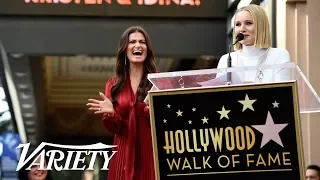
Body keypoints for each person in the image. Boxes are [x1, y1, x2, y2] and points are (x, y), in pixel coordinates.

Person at [87, 26, 168, 180]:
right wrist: (111, 114)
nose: (138, 45)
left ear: (147, 49)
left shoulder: (159, 81)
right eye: (132, 42)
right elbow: (113, 128)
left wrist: (157, 112)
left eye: (142, 42)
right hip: (123, 151)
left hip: (152, 151)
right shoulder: (113, 84)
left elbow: (168, 121)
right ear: (125, 49)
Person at [217, 4, 291, 83]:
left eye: (248, 23)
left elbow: (282, 92)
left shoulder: (279, 55)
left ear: (261, 26)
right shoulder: (226, 59)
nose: (242, 29)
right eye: (238, 24)